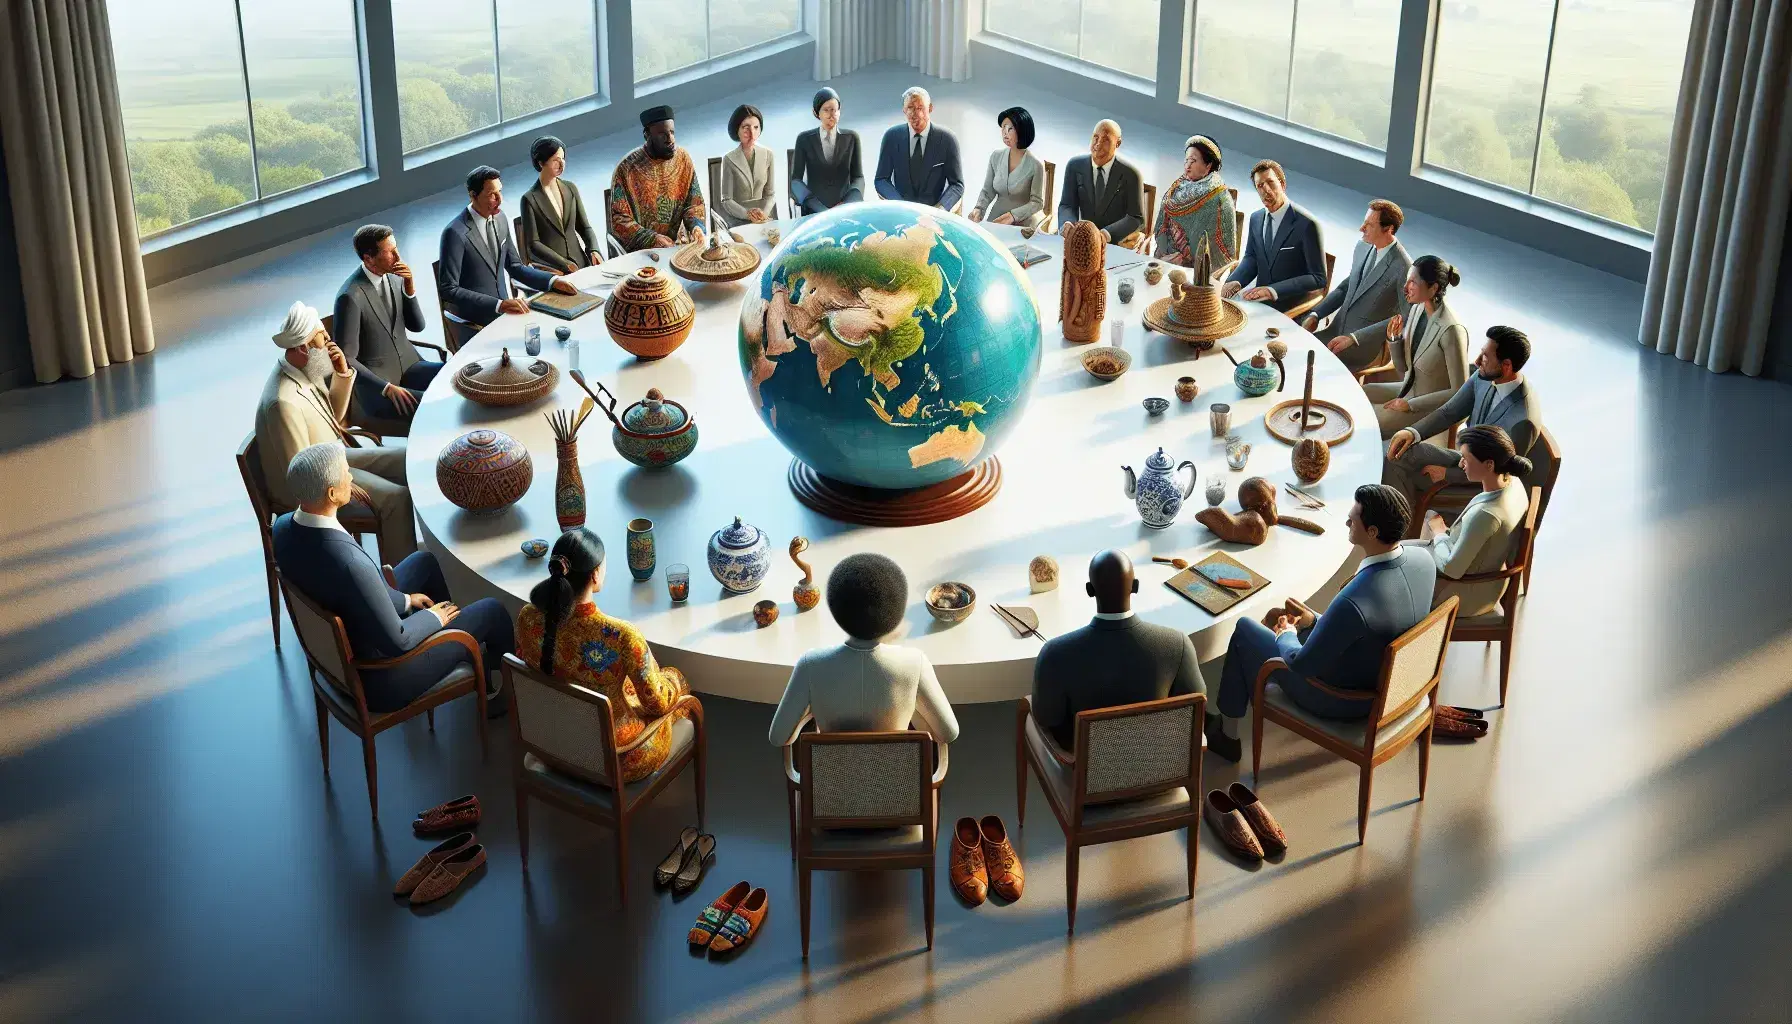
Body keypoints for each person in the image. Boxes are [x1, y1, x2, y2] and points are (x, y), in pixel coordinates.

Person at [272, 442, 514, 713]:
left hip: (350, 642)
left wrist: (407, 601)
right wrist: (434, 617)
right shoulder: (350, 564)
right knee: (493, 611)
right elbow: (399, 641)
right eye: (345, 472)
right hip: (384, 679)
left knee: (425, 562)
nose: (351, 476)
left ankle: (456, 648)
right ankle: (498, 697)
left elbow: (359, 591)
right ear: (331, 493)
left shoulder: (282, 527)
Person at [1206, 485, 1436, 762]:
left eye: (1354, 517)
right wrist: (1315, 620)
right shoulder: (1423, 559)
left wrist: (1287, 633)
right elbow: (1372, 625)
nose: (1348, 520)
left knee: (1245, 629)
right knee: (1299, 624)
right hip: (1386, 682)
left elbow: (1299, 662)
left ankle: (1227, 736)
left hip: (1343, 698)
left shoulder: (1353, 600)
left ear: (1373, 532)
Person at [515, 528, 697, 782]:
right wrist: (674, 682)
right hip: (617, 758)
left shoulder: (528, 618)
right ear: (595, 574)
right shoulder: (621, 636)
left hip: (553, 739)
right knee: (674, 680)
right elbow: (657, 703)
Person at [255, 301, 415, 561]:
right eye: (324, 339)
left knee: (409, 458)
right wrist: (347, 486)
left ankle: (413, 549)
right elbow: (302, 477)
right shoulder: (282, 403)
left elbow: (334, 420)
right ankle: (403, 580)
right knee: (396, 499)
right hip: (320, 482)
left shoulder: (304, 369)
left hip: (334, 457)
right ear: (304, 348)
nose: (331, 345)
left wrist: (342, 373)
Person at [767, 553, 959, 747]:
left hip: (833, 773)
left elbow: (778, 738)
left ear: (836, 609)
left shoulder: (811, 664)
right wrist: (910, 706)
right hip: (895, 774)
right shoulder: (915, 663)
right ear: (895, 613)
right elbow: (948, 733)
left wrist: (811, 710)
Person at [1030, 550, 1206, 751]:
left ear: (1090, 590)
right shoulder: (1177, 644)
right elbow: (1194, 709)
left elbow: (1046, 718)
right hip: (1159, 769)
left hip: (1087, 776)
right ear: (1135, 587)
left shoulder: (1054, 655)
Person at [1384, 325, 1540, 507]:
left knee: (1408, 472)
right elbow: (1449, 412)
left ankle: (1396, 524)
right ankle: (1397, 517)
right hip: (1465, 458)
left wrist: (1447, 474)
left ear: (1506, 366)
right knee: (1399, 452)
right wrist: (1412, 432)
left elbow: (1500, 474)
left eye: (1485, 357)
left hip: (1479, 484)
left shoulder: (1523, 421)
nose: (1477, 361)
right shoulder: (1484, 376)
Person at [1404, 426, 1533, 618]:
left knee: (1388, 579)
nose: (1461, 464)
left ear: (1489, 464)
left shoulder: (1487, 514)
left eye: (1466, 458)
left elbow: (1451, 569)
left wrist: (1439, 533)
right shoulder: (1513, 483)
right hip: (1479, 570)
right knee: (1395, 553)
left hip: (1465, 592)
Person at [439, 166, 574, 329]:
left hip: (509, 314)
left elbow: (515, 266)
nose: (500, 199)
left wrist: (552, 281)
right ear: (473, 196)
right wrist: (498, 305)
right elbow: (448, 289)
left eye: (500, 191)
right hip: (477, 325)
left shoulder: (500, 218)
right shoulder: (454, 233)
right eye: (492, 195)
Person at [332, 224, 435, 436]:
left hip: (411, 366)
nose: (398, 257)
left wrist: (409, 288)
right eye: (391, 252)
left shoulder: (396, 276)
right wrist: (385, 387)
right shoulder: (350, 297)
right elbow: (347, 359)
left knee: (460, 378)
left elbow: (417, 326)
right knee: (438, 406)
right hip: (380, 390)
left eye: (396, 248)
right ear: (369, 259)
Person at [1360, 256, 1470, 439]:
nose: (1406, 288)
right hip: (1408, 389)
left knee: (1366, 422)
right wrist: (1394, 340)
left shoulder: (1452, 330)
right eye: (1407, 280)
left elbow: (1459, 392)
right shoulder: (1418, 310)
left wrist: (1411, 405)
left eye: (1413, 282)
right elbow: (1404, 370)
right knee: (1361, 393)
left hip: (1428, 407)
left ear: (1433, 288)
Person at [1304, 199, 1412, 373]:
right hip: (1334, 331)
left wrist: (1354, 338)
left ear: (1389, 229)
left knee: (1311, 369)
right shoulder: (1362, 246)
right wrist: (1316, 314)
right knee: (1297, 352)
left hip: (1362, 347)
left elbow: (1405, 318)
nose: (1361, 228)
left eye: (1369, 225)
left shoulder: (1404, 267)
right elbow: (1345, 287)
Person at [1222, 160, 1326, 312]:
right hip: (1255, 304)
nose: (1266, 190)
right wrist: (1234, 282)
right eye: (1260, 186)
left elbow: (1318, 278)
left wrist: (1272, 291)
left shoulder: (1307, 224)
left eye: (1270, 182)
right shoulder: (1256, 218)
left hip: (1289, 309)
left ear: (1282, 184)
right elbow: (1251, 258)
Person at [610, 105, 708, 251]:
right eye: (663, 134)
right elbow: (619, 221)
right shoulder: (627, 169)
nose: (670, 139)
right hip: (642, 252)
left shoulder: (683, 159)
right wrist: (652, 239)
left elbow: (694, 203)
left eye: (672, 132)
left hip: (675, 247)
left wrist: (696, 228)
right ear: (647, 135)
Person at [1054, 119, 1146, 248]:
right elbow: (1067, 204)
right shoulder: (1074, 166)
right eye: (1095, 138)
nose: (1098, 144)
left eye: (1106, 140)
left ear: (1117, 143)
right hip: (1083, 240)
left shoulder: (1131, 174)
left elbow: (1136, 218)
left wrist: (1107, 234)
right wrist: (1068, 223)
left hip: (1114, 244)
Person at [518, 135, 602, 274]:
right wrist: (564, 264)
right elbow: (534, 244)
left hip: (581, 264)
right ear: (541, 163)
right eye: (555, 160)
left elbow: (584, 227)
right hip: (553, 269)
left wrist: (594, 249)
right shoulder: (529, 199)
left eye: (563, 158)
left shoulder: (570, 188)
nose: (562, 164)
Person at [1153, 135, 1238, 270]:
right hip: (1164, 261)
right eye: (1186, 160)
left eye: (1193, 161)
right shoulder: (1178, 187)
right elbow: (1162, 225)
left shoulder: (1221, 199)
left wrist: (1184, 261)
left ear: (1208, 166)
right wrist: (1164, 254)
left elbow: (1222, 254)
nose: (1187, 165)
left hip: (1197, 275)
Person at [873, 86, 964, 210]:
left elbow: (957, 185)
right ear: (904, 110)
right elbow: (881, 179)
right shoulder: (891, 137)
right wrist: (899, 205)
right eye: (910, 108)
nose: (916, 114)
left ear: (930, 108)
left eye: (920, 108)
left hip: (935, 210)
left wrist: (940, 209)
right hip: (901, 210)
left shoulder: (947, 139)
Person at [967, 106, 1046, 230]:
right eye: (1003, 128)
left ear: (1022, 130)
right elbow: (988, 191)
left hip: (1024, 224)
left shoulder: (1036, 165)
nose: (1005, 133)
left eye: (1010, 129)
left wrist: (1013, 216)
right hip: (997, 218)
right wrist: (979, 209)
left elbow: (1037, 203)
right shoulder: (996, 157)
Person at [789, 87, 865, 214]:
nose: (832, 114)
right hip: (814, 210)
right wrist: (815, 205)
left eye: (834, 110)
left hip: (844, 209)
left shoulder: (852, 137)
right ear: (816, 112)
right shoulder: (804, 139)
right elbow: (796, 181)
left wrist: (847, 204)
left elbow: (858, 178)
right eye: (826, 110)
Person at [717, 104, 778, 227]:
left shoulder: (768, 155)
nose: (752, 133)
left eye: (756, 127)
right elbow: (727, 200)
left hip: (764, 218)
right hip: (738, 220)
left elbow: (770, 194)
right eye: (746, 128)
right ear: (737, 130)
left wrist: (763, 214)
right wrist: (747, 213)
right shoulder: (729, 159)